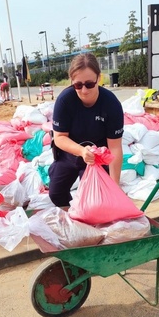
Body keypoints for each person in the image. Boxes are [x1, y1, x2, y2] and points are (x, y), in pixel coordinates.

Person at [48, 52, 124, 207]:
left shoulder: (111, 104)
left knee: (92, 201)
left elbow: (115, 147)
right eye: (78, 85)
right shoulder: (65, 101)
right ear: (72, 82)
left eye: (89, 84)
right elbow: (60, 137)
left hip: (96, 158)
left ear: (99, 78)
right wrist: (81, 151)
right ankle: (73, 217)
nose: (84, 90)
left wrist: (115, 185)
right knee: (56, 194)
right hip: (70, 153)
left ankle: (88, 219)